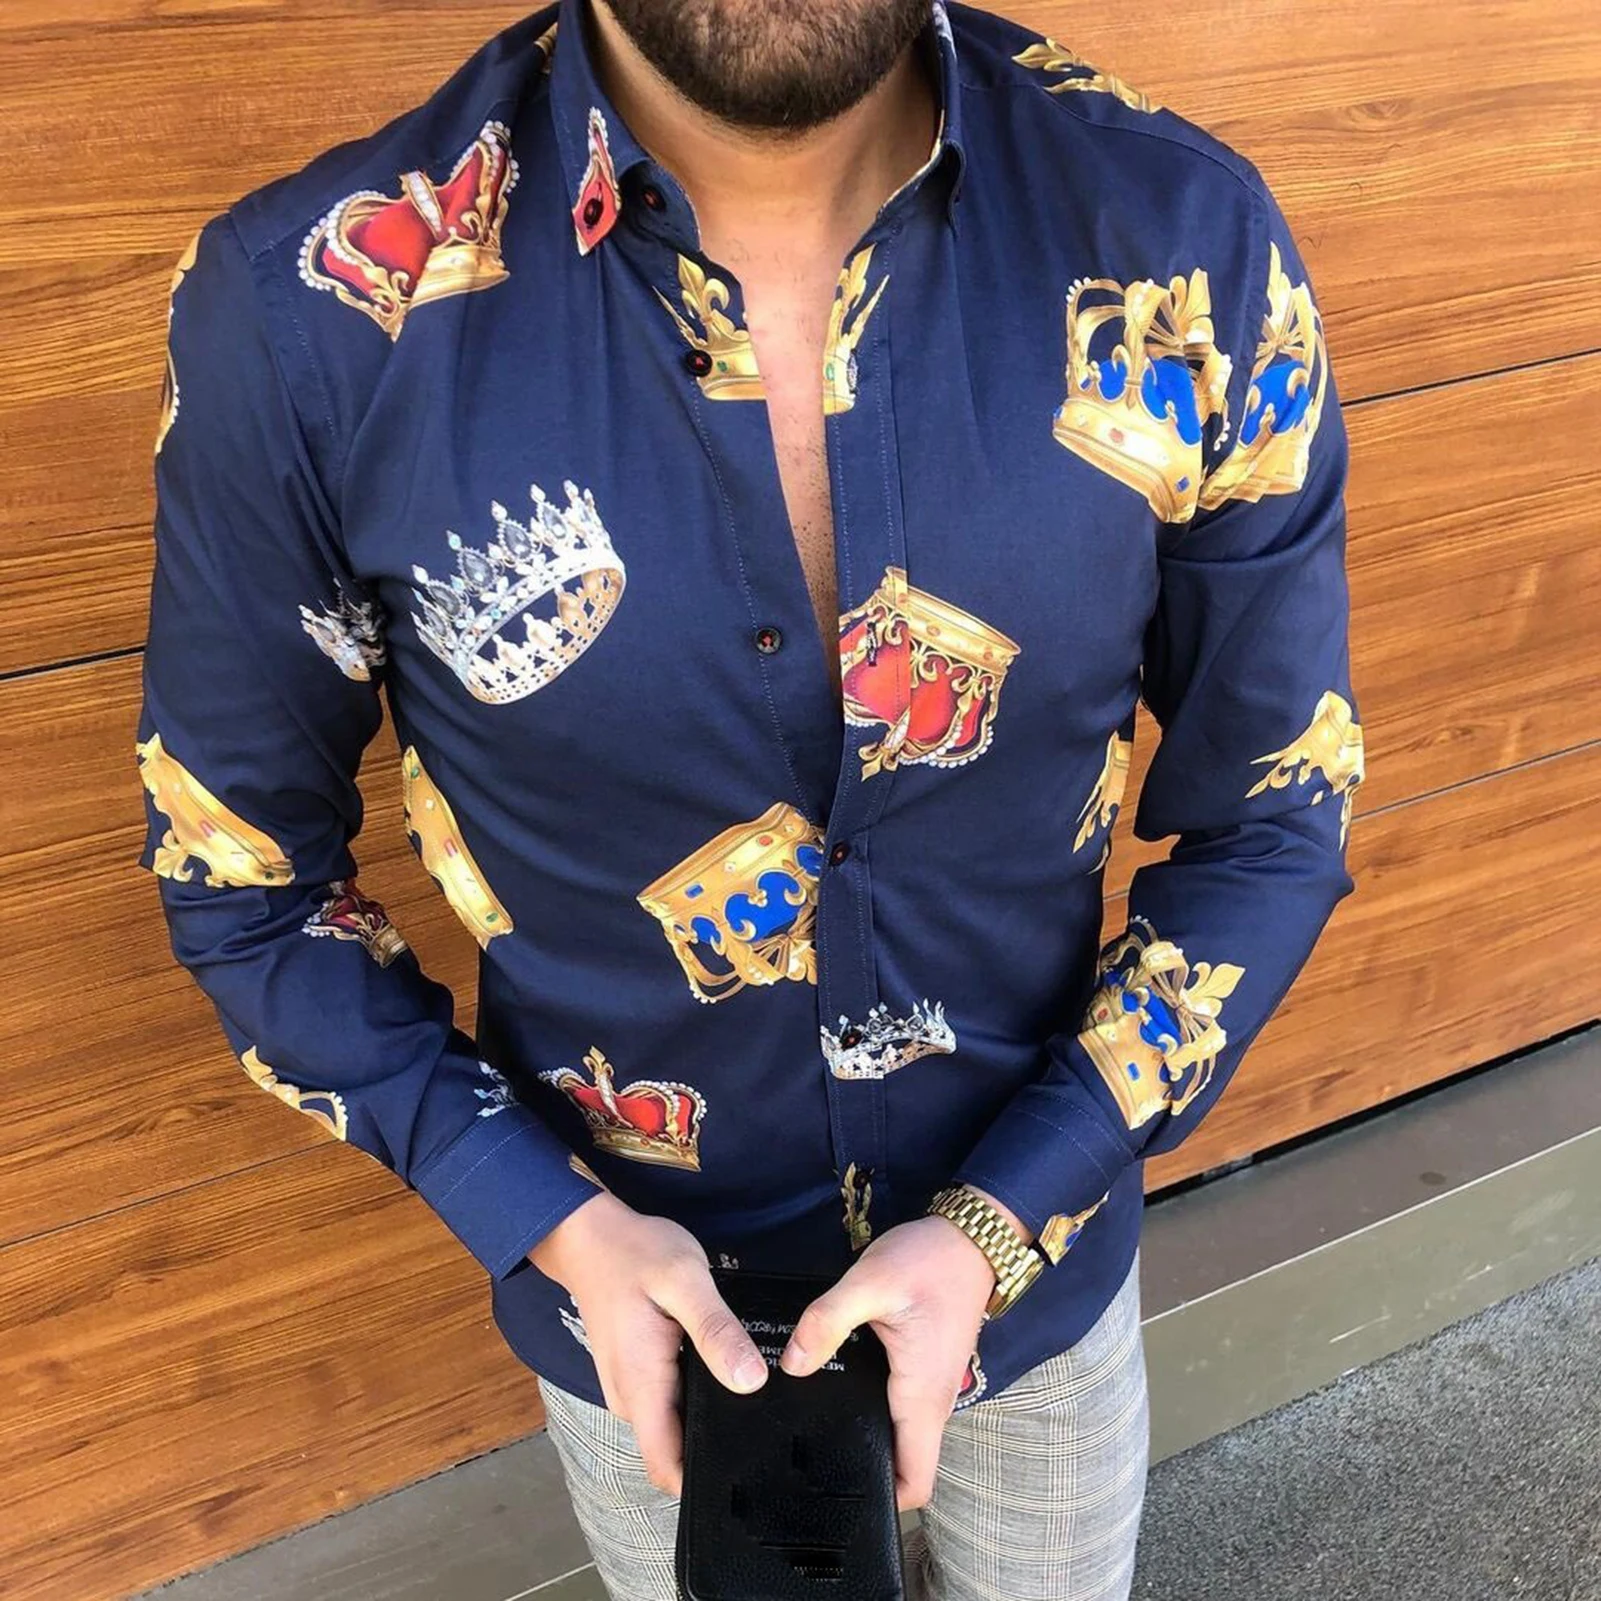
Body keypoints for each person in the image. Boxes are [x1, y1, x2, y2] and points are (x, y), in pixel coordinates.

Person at [133, 0, 1363, 1595]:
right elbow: (249, 890)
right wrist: (547, 1217)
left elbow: (1274, 815)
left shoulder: (1183, 237)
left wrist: (1009, 1215)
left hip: (1042, 1272)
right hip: (630, 1322)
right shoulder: (306, 312)